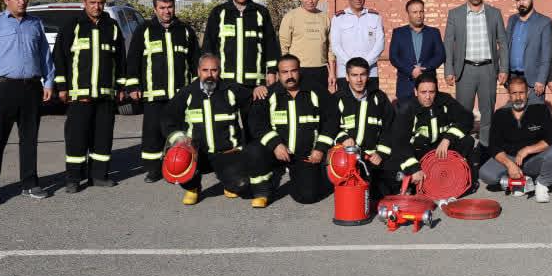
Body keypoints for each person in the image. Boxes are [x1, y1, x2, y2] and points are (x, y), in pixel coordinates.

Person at [0, 0, 55, 205]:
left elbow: (44, 55)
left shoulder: (35, 23)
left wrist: (48, 82)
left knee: (29, 139)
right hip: (2, 88)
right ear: (6, 0)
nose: (22, 1)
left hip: (31, 87)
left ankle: (30, 183)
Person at [162, 53, 270, 207]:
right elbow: (168, 117)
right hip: (197, 154)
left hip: (226, 153)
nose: (209, 75)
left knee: (241, 185)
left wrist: (258, 88)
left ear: (220, 71)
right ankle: (193, 187)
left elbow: (252, 98)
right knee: (179, 160)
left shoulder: (231, 90)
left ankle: (229, 182)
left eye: (214, 70)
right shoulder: (187, 93)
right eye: (205, 70)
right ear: (199, 71)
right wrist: (179, 139)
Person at [53, 0, 127, 192]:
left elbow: (120, 59)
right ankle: (73, 179)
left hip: (105, 95)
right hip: (80, 95)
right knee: (77, 138)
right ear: (84, 3)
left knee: (102, 137)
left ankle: (99, 175)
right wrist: (62, 86)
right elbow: (59, 57)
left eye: (100, 2)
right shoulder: (73, 26)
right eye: (92, 2)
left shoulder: (111, 27)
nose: (97, 6)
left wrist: (120, 86)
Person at [125, 0, 200, 183]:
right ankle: (153, 170)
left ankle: (184, 165)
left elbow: (194, 61)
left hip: (180, 96)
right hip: (153, 95)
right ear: (155, 9)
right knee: (153, 134)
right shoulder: (144, 30)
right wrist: (133, 86)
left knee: (182, 132)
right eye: (162, 8)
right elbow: (133, 60)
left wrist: (194, 88)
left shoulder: (185, 31)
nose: (167, 11)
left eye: (170, 7)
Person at [252, 54, 334, 204]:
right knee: (254, 151)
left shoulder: (317, 91)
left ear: (299, 71)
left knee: (307, 197)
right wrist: (275, 144)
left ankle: (307, 175)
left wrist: (320, 149)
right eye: (284, 72)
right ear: (277, 74)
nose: (290, 76)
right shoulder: (268, 94)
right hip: (276, 151)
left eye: (293, 71)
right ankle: (262, 190)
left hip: (306, 154)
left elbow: (332, 120)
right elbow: (257, 123)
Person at [384, 71, 474, 198]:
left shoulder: (445, 101)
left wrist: (448, 139)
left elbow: (467, 118)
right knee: (392, 165)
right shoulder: (406, 108)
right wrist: (414, 168)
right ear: (416, 92)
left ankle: (455, 175)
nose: (428, 97)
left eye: (431, 92)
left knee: (467, 140)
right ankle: (411, 182)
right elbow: (400, 142)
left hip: (440, 148)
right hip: (417, 151)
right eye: (423, 92)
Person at [478, 73, 552, 203]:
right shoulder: (500, 114)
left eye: (521, 93)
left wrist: (527, 150)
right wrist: (509, 164)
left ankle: (542, 184)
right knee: (486, 174)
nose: (518, 97)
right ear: (508, 94)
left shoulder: (540, 110)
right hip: (510, 158)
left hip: (533, 159)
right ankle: (519, 182)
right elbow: (494, 146)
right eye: (514, 93)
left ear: (528, 92)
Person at [444, 0, 508, 151]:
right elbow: (448, 44)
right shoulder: (455, 14)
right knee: (463, 114)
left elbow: (502, 42)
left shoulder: (494, 14)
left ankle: (486, 151)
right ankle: (463, 149)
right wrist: (448, 70)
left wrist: (504, 68)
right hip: (465, 71)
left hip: (488, 69)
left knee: (488, 113)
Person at [203, 0, 279, 99]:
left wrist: (271, 71)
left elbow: (270, 45)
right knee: (227, 118)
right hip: (225, 82)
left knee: (255, 118)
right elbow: (208, 45)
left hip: (255, 85)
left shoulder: (261, 12)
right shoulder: (219, 12)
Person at [328, 56, 397, 174]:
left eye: (363, 75)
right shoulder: (337, 99)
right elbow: (329, 127)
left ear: (368, 76)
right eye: (354, 75)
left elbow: (389, 128)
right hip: (344, 157)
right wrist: (343, 138)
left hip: (373, 158)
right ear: (347, 77)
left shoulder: (379, 98)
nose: (359, 80)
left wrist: (380, 153)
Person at [278, 0, 332, 96]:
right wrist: (285, 72)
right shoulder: (290, 17)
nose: (310, 0)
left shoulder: (325, 18)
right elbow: (284, 47)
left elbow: (330, 48)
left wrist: (331, 72)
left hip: (321, 70)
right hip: (298, 70)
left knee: (321, 105)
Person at [388, 0, 445, 107]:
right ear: (408, 14)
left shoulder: (434, 32)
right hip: (405, 84)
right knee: (405, 118)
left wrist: (424, 68)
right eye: (415, 12)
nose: (419, 15)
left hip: (428, 84)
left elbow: (440, 55)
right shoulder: (399, 33)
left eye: (421, 11)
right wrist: (411, 70)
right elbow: (394, 57)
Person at [329, 0, 385, 88]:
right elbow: (335, 46)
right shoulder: (338, 18)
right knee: (347, 104)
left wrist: (365, 65)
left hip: (370, 73)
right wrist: (352, 66)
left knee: (371, 104)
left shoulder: (375, 17)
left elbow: (380, 44)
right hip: (345, 74)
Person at [505, 0, 552, 105]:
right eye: (518, 0)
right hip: (513, 78)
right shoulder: (512, 20)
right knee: (515, 116)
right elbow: (506, 48)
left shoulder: (544, 22)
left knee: (534, 118)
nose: (521, 3)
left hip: (533, 81)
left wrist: (541, 80)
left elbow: (546, 55)